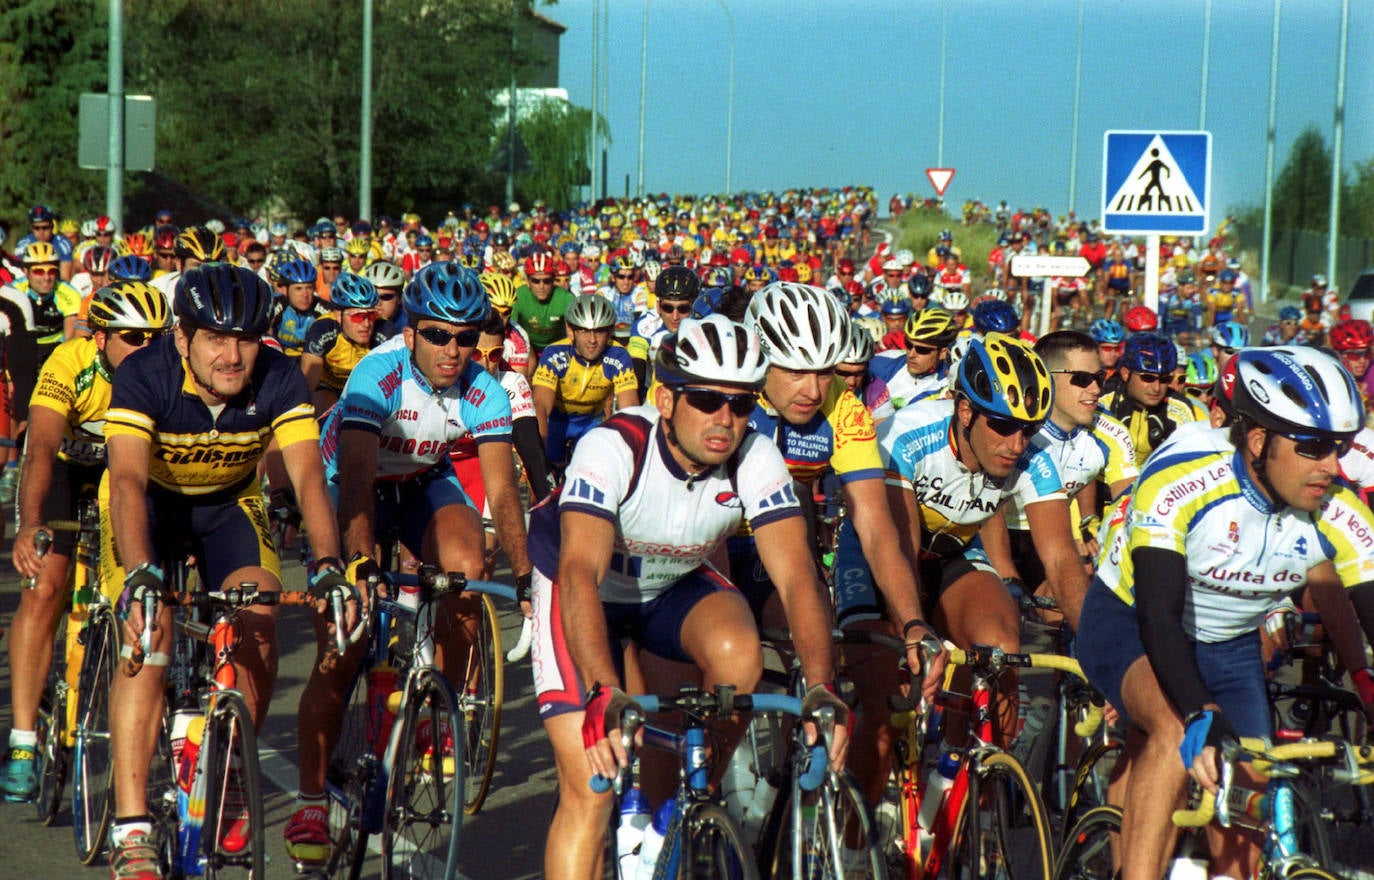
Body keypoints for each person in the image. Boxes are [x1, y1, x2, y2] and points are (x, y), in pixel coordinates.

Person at [527, 315, 853, 880]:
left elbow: (799, 576)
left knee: (740, 653)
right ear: (665, 399)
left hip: (666, 586)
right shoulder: (613, 447)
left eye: (742, 403)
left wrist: (822, 685)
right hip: (584, 590)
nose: (725, 420)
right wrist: (605, 692)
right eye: (705, 399)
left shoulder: (755, 457)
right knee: (592, 784)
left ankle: (669, 816)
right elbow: (579, 572)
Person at [1078, 346, 1374, 880]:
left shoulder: (1338, 507)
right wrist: (1199, 712)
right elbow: (1158, 618)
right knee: (1174, 729)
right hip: (1131, 623)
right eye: (1312, 447)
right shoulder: (1183, 478)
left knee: (1243, 830)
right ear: (1259, 440)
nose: (1332, 466)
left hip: (1231, 643)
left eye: (1340, 447)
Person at [102, 263, 346, 880]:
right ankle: (131, 826)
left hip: (228, 505)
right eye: (216, 337)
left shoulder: (280, 375)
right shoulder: (144, 373)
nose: (233, 356)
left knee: (259, 614)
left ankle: (229, 770)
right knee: (148, 632)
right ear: (182, 338)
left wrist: (326, 563)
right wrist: (140, 572)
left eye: (246, 338)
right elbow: (127, 481)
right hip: (150, 506)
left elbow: (310, 476)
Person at [294, 262, 533, 868]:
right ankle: (312, 796)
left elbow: (503, 493)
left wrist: (527, 576)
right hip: (352, 487)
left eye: (465, 336)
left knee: (466, 571)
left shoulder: (486, 388)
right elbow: (354, 485)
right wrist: (357, 566)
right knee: (343, 642)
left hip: (422, 482)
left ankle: (437, 706)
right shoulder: (377, 374)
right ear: (409, 334)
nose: (453, 349)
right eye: (437, 334)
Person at [740, 281, 943, 806]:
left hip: (784, 537)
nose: (813, 388)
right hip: (717, 535)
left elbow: (875, 526)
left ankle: (789, 763)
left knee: (805, 635)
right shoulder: (728, 396)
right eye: (796, 370)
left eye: (825, 370)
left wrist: (913, 620)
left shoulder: (844, 410)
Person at [0, 282, 171, 803]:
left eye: (157, 337)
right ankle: (24, 738)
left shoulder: (164, 372)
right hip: (66, 472)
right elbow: (42, 449)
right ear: (99, 339)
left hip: (123, 477)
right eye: (132, 337)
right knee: (46, 586)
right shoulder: (68, 363)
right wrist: (30, 523)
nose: (148, 347)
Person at [878, 333, 1060, 745]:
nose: (1016, 444)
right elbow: (898, 547)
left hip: (951, 553)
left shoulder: (1032, 455)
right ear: (964, 411)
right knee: (884, 707)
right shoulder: (907, 434)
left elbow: (1062, 558)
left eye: (1028, 429)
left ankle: (965, 782)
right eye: (1002, 425)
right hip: (886, 550)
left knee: (1000, 655)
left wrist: (1100, 649)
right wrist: (912, 624)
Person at [979, 331, 1136, 627]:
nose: (1095, 390)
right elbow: (986, 503)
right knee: (1001, 632)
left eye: (1100, 378)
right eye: (1081, 379)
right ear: (1047, 377)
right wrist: (1005, 573)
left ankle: (1075, 670)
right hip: (991, 534)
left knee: (1082, 599)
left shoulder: (1111, 433)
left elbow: (1129, 509)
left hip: (1052, 542)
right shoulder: (1016, 426)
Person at [532, 294, 639, 469]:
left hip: (591, 422)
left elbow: (630, 410)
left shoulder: (618, 356)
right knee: (542, 478)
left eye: (599, 331)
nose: (592, 340)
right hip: (556, 422)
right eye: (583, 330)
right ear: (570, 331)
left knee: (592, 470)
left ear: (610, 332)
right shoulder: (554, 353)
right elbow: (540, 405)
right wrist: (538, 455)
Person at [1100, 333, 1199, 466]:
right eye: (1148, 378)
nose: (1157, 388)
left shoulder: (1179, 407)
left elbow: (1188, 462)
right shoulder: (1103, 400)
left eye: (1165, 379)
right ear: (1125, 373)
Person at [299, 272, 385, 415]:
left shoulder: (383, 330)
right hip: (328, 387)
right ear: (338, 315)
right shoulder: (323, 329)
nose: (367, 324)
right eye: (358, 316)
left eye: (371, 315)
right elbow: (308, 385)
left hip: (364, 388)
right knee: (326, 404)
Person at [866, 307, 959, 410]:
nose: (911, 354)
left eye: (922, 350)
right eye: (908, 344)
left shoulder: (949, 385)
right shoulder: (883, 361)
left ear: (942, 353)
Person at [627, 265, 699, 394]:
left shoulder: (702, 325)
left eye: (683, 309)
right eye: (668, 308)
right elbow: (635, 377)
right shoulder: (645, 325)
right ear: (658, 306)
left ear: (693, 306)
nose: (675, 316)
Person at [511, 252, 574, 355]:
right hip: (529, 346)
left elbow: (572, 334)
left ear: (553, 280)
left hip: (557, 347)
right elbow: (510, 329)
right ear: (527, 281)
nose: (541, 286)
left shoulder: (566, 298)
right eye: (536, 281)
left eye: (547, 281)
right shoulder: (518, 296)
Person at [269, 258, 328, 357]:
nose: (305, 294)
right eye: (298, 289)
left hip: (311, 359)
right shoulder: (274, 305)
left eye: (309, 288)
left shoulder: (322, 308)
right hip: (280, 359)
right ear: (284, 290)